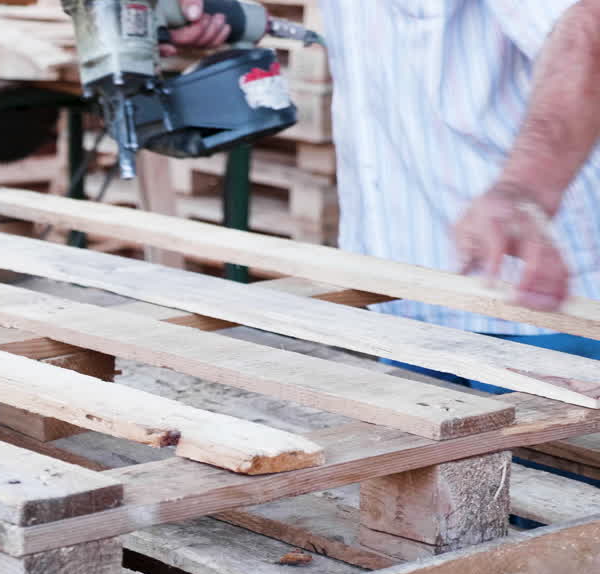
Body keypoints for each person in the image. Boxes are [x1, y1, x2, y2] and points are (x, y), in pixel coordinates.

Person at [164, 0, 600, 391]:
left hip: (538, 299)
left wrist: (526, 187)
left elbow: (587, 23)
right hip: (401, 293)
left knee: (553, 458)